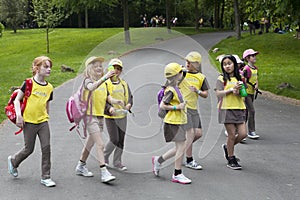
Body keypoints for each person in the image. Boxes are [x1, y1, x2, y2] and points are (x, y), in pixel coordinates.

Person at [7, 56, 56, 187]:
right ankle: (13, 161)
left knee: (46, 148)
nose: (49, 69)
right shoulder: (28, 83)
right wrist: (19, 116)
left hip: (43, 122)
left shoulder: (49, 87)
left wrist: (47, 116)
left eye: (50, 66)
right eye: (46, 66)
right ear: (36, 68)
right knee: (29, 149)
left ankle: (46, 177)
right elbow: (17, 100)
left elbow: (46, 104)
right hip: (28, 122)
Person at [75, 56, 123, 183]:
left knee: (90, 143)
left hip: (100, 116)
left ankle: (81, 165)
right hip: (89, 116)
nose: (98, 68)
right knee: (100, 144)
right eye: (95, 66)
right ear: (89, 68)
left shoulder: (105, 83)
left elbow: (107, 97)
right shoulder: (87, 81)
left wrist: (116, 101)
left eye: (100, 66)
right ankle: (103, 172)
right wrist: (105, 77)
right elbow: (92, 88)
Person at [152, 62, 191, 184]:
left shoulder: (175, 87)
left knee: (180, 147)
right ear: (176, 75)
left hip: (178, 121)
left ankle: (159, 160)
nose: (182, 73)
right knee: (181, 146)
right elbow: (163, 105)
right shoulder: (170, 90)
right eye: (181, 72)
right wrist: (177, 107)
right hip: (173, 121)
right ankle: (177, 173)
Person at [215, 55, 247, 170]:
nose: (227, 66)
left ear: (234, 64)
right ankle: (231, 158)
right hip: (226, 108)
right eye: (224, 64)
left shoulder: (240, 78)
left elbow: (244, 94)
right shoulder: (221, 78)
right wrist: (230, 90)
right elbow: (218, 93)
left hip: (239, 108)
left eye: (229, 63)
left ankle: (228, 147)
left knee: (243, 134)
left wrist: (238, 90)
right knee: (232, 134)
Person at [179, 51, 209, 170]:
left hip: (193, 108)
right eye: (187, 61)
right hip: (183, 108)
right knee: (190, 135)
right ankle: (189, 160)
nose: (187, 64)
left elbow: (205, 94)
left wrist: (197, 91)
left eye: (190, 62)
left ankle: (180, 150)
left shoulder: (201, 77)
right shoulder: (183, 74)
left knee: (198, 134)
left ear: (197, 64)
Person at [103, 58, 133, 171]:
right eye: (114, 68)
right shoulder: (105, 84)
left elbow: (130, 97)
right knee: (114, 139)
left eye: (118, 69)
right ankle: (104, 156)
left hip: (122, 116)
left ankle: (117, 161)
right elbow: (103, 100)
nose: (116, 71)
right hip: (110, 117)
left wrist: (129, 105)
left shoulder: (124, 84)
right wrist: (109, 108)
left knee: (121, 140)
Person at [242, 49, 260, 139]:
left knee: (246, 112)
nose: (255, 57)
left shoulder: (255, 68)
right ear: (247, 58)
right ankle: (251, 131)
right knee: (251, 111)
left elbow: (256, 78)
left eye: (254, 55)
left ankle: (241, 131)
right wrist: (243, 95)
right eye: (253, 56)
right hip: (247, 93)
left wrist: (257, 85)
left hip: (252, 93)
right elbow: (243, 82)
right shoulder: (246, 69)